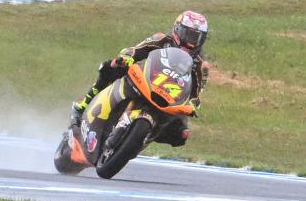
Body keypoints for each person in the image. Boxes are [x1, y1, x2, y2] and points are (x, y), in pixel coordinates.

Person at [69, 10, 210, 127]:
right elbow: (136, 50)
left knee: (180, 133)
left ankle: (141, 139)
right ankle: (82, 105)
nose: (190, 43)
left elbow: (197, 92)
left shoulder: (200, 65)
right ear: (177, 30)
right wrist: (127, 57)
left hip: (170, 97)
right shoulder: (161, 39)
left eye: (196, 39)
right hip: (145, 79)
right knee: (111, 67)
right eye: (188, 35)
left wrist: (193, 104)